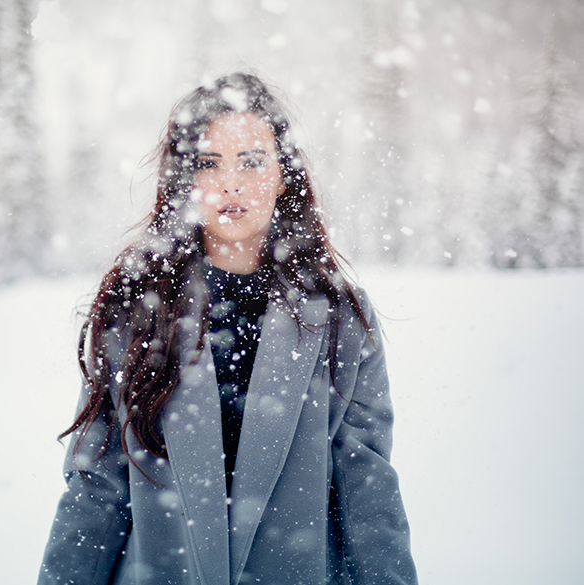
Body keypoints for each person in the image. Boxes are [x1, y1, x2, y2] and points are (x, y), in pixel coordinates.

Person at [38, 72, 418, 585]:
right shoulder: (137, 310)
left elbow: (367, 487)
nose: (230, 183)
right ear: (183, 179)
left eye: (252, 161)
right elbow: (96, 489)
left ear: (284, 174)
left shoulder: (338, 316)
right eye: (208, 163)